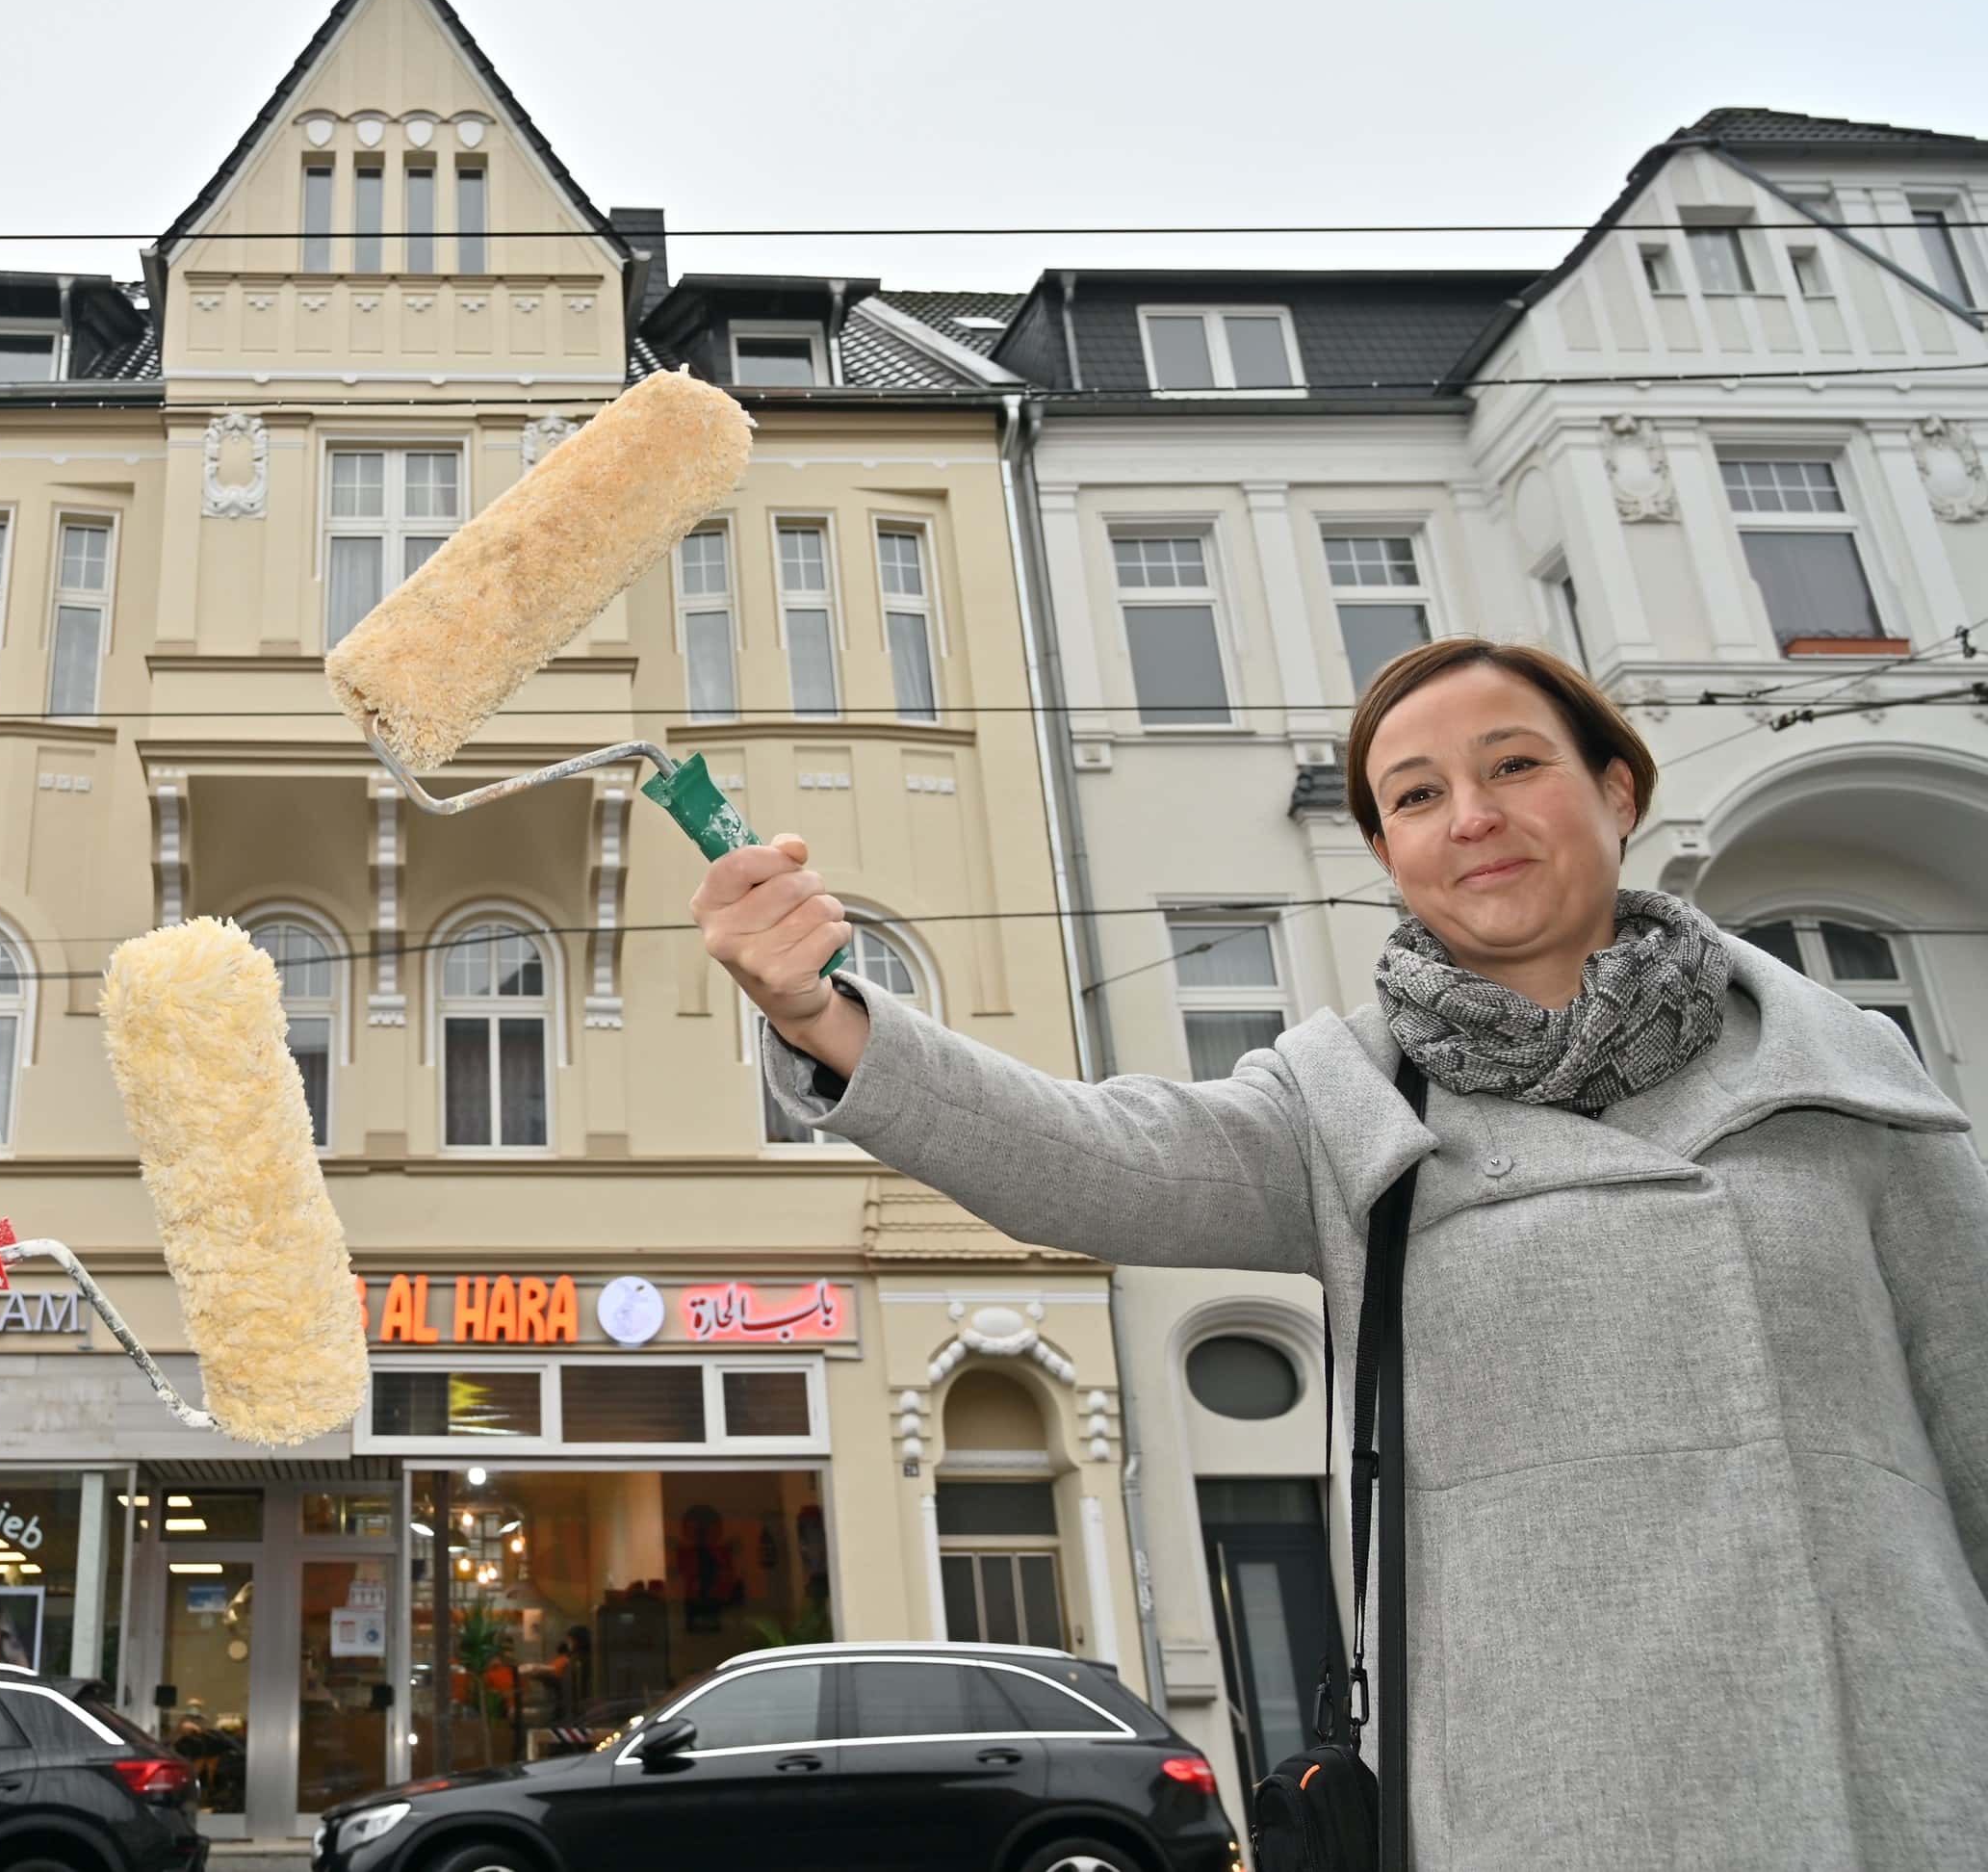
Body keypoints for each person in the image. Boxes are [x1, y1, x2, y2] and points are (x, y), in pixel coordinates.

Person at [696, 637, 1988, 1868]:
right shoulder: (1349, 1103)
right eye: (1416, 794)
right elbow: (1092, 1155)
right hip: (1547, 1798)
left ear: (1617, 788)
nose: (1471, 814)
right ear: (1384, 851)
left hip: (1901, 1774)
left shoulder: (1847, 1071)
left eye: (1514, 764)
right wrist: (823, 1011)